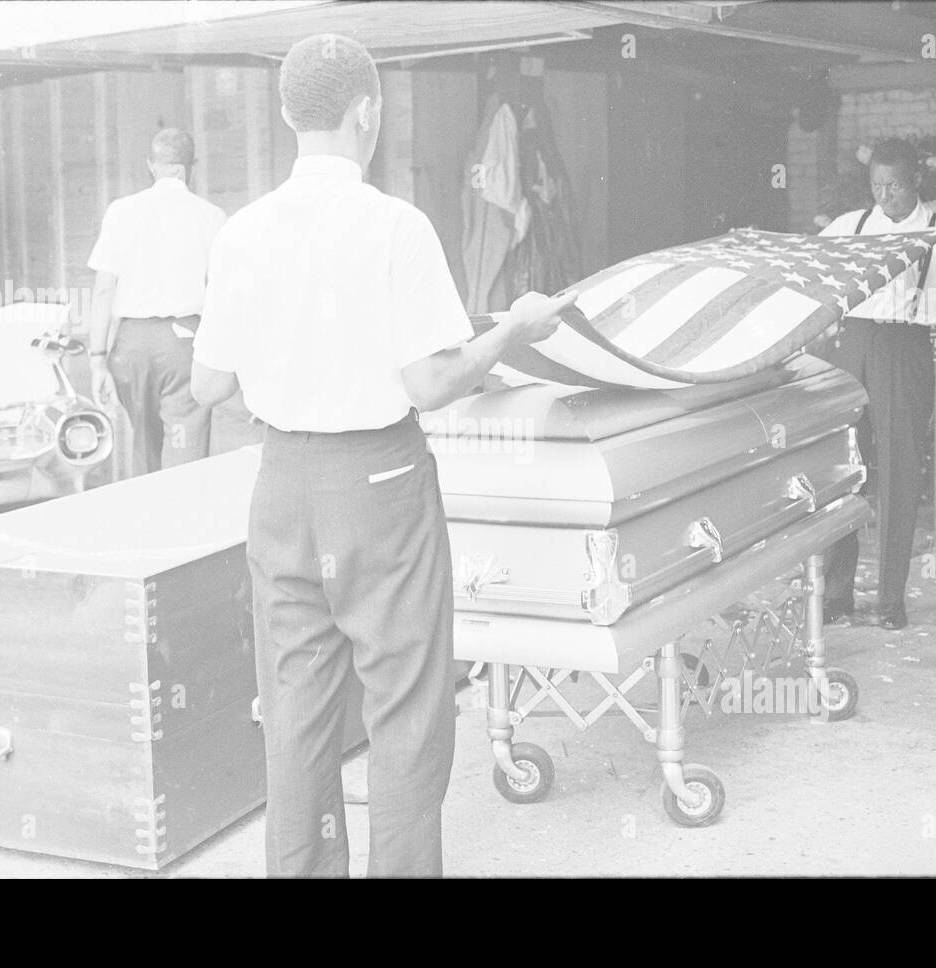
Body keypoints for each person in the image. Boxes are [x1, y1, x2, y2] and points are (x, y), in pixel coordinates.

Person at [189, 33, 576, 878]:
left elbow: (209, 383)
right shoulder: (396, 226)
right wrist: (513, 327)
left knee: (293, 718)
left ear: (288, 114)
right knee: (404, 714)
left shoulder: (241, 233)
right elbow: (433, 381)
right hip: (379, 483)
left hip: (282, 483)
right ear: (370, 113)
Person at [816, 138, 936, 631]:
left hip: (905, 348)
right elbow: (816, 269)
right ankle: (837, 595)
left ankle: (890, 600)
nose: (885, 196)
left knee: (900, 470)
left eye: (895, 186)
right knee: (842, 469)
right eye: (878, 185)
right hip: (852, 344)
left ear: (914, 181)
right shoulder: (851, 226)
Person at [87, 128, 226, 476]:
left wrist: (97, 360)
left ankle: (146, 522)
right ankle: (184, 521)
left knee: (144, 446)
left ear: (152, 165)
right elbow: (223, 292)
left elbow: (104, 290)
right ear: (188, 167)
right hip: (183, 345)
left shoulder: (121, 211)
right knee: (184, 451)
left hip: (130, 347)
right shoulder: (211, 216)